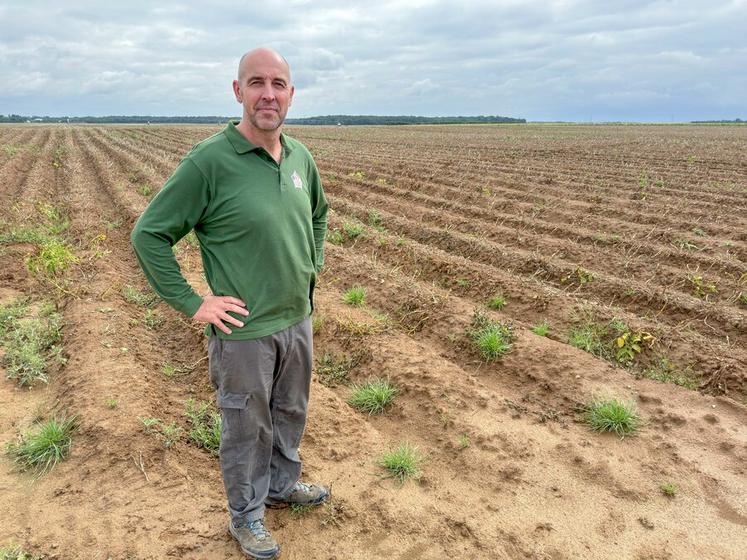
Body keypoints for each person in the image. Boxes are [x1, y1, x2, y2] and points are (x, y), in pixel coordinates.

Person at [131, 47, 329, 560]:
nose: (269, 94)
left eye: (278, 84)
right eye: (256, 83)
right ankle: (246, 516)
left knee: (290, 412)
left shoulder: (299, 157)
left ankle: (283, 487)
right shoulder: (209, 162)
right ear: (237, 91)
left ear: (291, 94)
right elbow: (149, 234)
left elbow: (318, 215)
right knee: (247, 426)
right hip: (243, 334)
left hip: (296, 319)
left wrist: (312, 266)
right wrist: (194, 302)